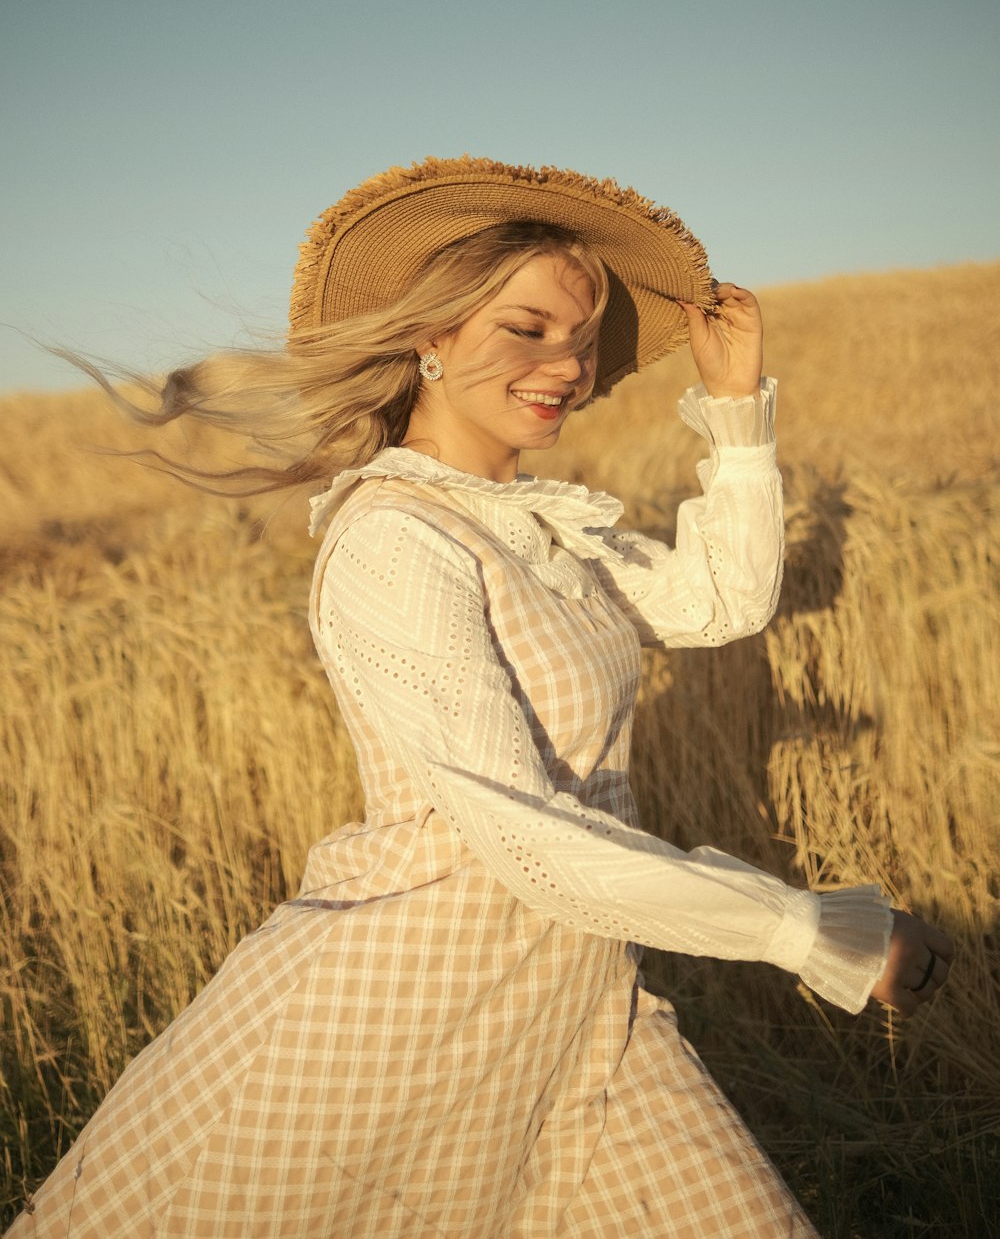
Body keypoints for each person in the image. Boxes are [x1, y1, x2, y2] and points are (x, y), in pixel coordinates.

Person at [9, 156, 953, 1238]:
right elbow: (524, 835)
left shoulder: (537, 525)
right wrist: (807, 931)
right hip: (394, 1022)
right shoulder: (395, 539)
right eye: (527, 328)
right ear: (433, 338)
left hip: (583, 1011)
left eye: (581, 336)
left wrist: (736, 413)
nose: (567, 363)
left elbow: (718, 601)